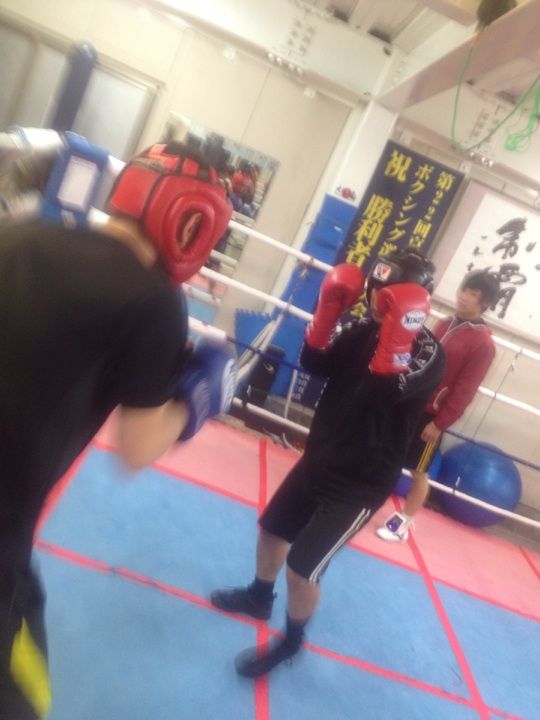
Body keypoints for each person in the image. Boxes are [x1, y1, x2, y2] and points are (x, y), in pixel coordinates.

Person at [0, 137, 236, 719]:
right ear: (191, 222)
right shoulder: (154, 302)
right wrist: (198, 400)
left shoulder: (22, 234)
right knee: (23, 698)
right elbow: (135, 447)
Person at [210, 249, 446, 678]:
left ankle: (291, 642)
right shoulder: (360, 329)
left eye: (388, 294)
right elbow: (313, 362)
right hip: (320, 457)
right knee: (272, 530)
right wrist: (326, 315)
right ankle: (259, 597)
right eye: (375, 288)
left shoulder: (429, 353)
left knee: (303, 567)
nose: (377, 299)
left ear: (412, 302)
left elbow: (384, 394)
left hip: (361, 481)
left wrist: (395, 338)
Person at [376, 268, 500, 542]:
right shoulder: (444, 323)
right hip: (410, 403)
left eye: (473, 294)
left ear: (485, 304)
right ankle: (367, 499)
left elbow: (465, 390)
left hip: (431, 415)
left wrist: (439, 423)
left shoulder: (483, 343)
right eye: (465, 290)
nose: (464, 297)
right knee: (388, 454)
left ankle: (403, 522)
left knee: (419, 470)